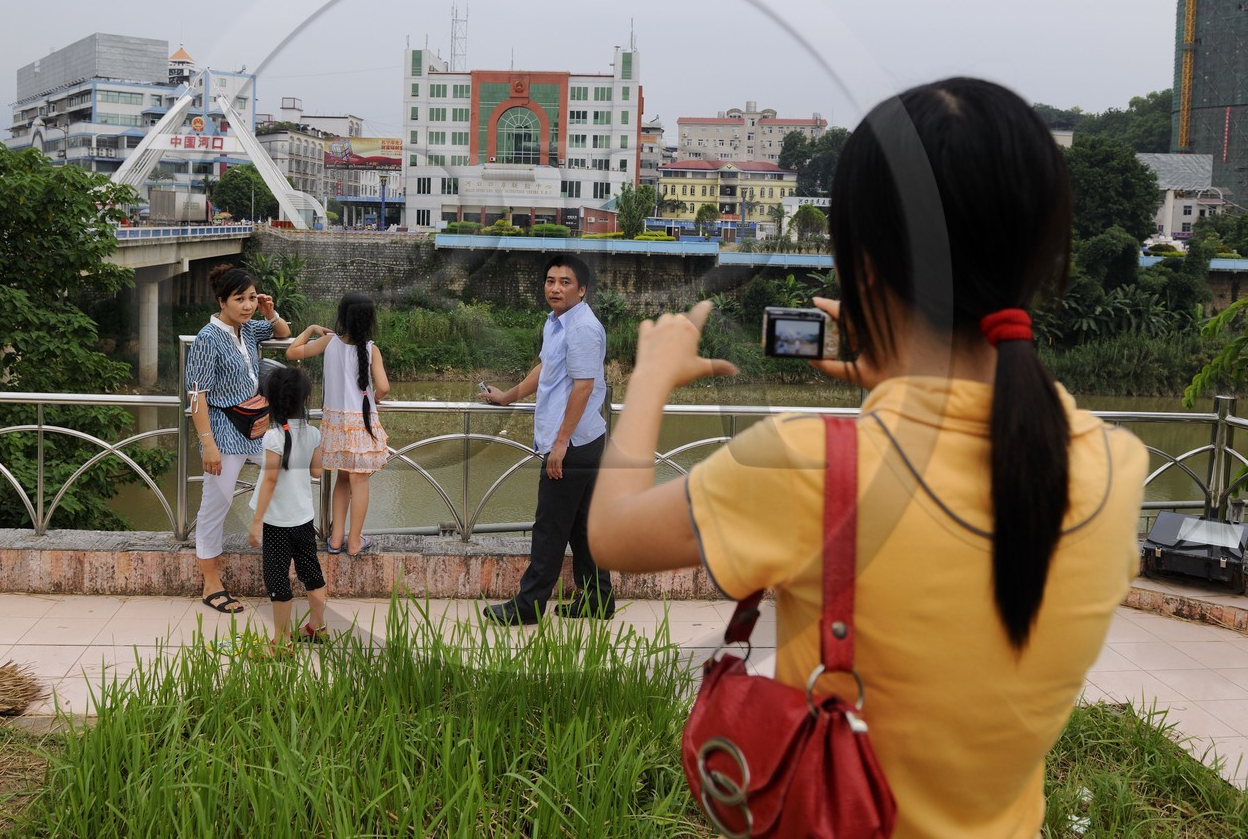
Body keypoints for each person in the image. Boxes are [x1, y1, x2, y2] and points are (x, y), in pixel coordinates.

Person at [588, 79, 1147, 838]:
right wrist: (903, 379)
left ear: (869, 263)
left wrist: (650, 375)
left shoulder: (808, 464)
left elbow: (612, 534)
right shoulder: (1115, 466)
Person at [479, 253, 614, 625]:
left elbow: (583, 387)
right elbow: (547, 367)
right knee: (582, 527)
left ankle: (529, 605)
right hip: (584, 441)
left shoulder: (582, 327)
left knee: (550, 527)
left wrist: (560, 444)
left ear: (581, 290)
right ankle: (598, 600)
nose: (555, 288)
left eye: (565, 282)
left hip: (572, 445)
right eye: (551, 281)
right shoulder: (557, 322)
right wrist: (509, 396)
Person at [184, 264, 292, 613]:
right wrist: (208, 443)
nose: (247, 306)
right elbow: (196, 395)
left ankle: (270, 538)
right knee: (215, 504)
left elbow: (283, 331)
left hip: (255, 428)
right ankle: (210, 582)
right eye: (239, 299)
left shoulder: (247, 329)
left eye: (251, 298)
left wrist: (269, 311)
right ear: (221, 301)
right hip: (223, 430)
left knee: (287, 469)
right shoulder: (208, 338)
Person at [285, 292, 390, 557]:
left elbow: (291, 352)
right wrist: (375, 397)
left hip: (334, 424)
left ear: (342, 317)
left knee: (343, 479)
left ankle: (335, 539)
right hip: (361, 424)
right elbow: (384, 387)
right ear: (370, 320)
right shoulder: (371, 349)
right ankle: (354, 541)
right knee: (359, 481)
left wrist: (311, 328)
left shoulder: (328, 342)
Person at [246, 365, 329, 648]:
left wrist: (256, 521)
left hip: (277, 522)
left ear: (270, 401)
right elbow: (316, 472)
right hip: (303, 518)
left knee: (277, 578)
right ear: (305, 400)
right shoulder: (313, 433)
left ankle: (281, 642)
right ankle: (317, 627)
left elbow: (270, 480)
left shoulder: (273, 437)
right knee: (311, 573)